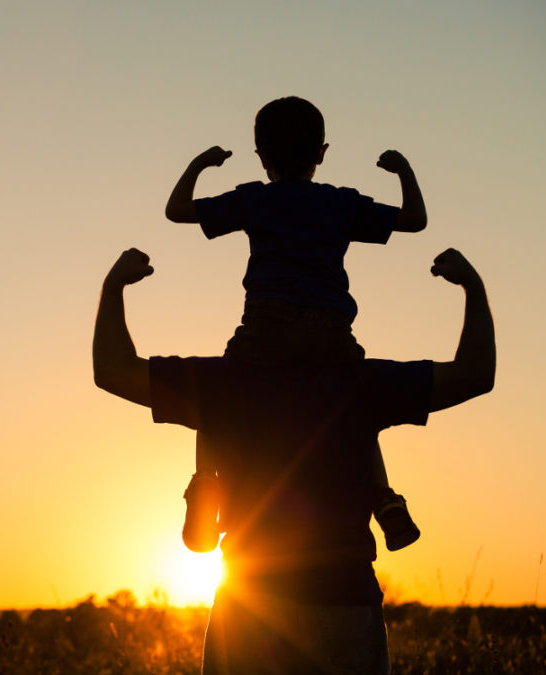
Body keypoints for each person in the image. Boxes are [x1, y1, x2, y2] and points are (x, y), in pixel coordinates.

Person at [92, 246, 494, 673]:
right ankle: (385, 499)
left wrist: (114, 286)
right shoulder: (362, 382)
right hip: (345, 600)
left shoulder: (222, 382)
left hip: (250, 605)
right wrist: (474, 288)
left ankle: (204, 487)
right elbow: (474, 374)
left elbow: (113, 370)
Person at [164, 97, 428, 553]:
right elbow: (414, 220)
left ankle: (207, 484)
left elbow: (178, 210)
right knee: (358, 412)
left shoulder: (255, 198)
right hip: (329, 331)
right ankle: (383, 497)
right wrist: (404, 171)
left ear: (261, 153)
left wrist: (201, 164)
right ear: (322, 153)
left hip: (267, 325)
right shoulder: (340, 203)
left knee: (212, 397)